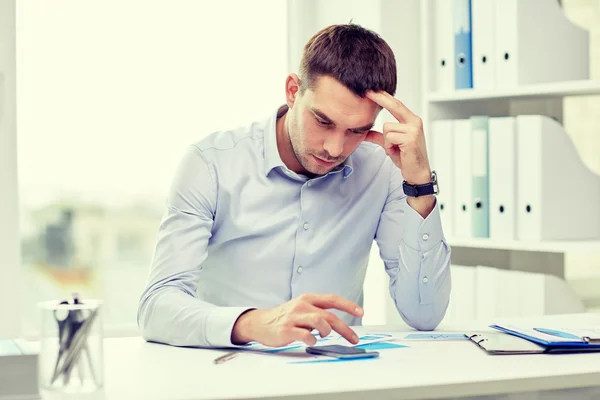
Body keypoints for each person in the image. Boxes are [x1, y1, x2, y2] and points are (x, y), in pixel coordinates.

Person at [137, 23, 451, 349]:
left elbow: (424, 315)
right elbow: (157, 307)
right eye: (323, 121)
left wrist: (420, 185)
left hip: (337, 380)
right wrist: (252, 323)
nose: (334, 147)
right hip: (230, 375)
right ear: (292, 90)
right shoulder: (211, 163)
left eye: (356, 131)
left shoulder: (382, 169)